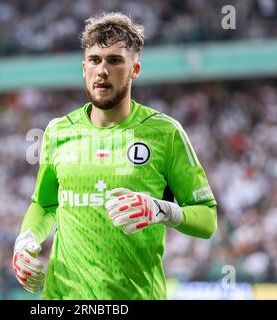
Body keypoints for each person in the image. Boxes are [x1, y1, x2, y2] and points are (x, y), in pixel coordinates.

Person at [12, 12, 218, 299]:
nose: (102, 70)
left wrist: (163, 210)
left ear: (134, 70)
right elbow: (44, 204)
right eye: (95, 60)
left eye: (114, 60)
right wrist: (24, 243)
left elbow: (208, 219)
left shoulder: (165, 133)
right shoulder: (58, 131)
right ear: (84, 68)